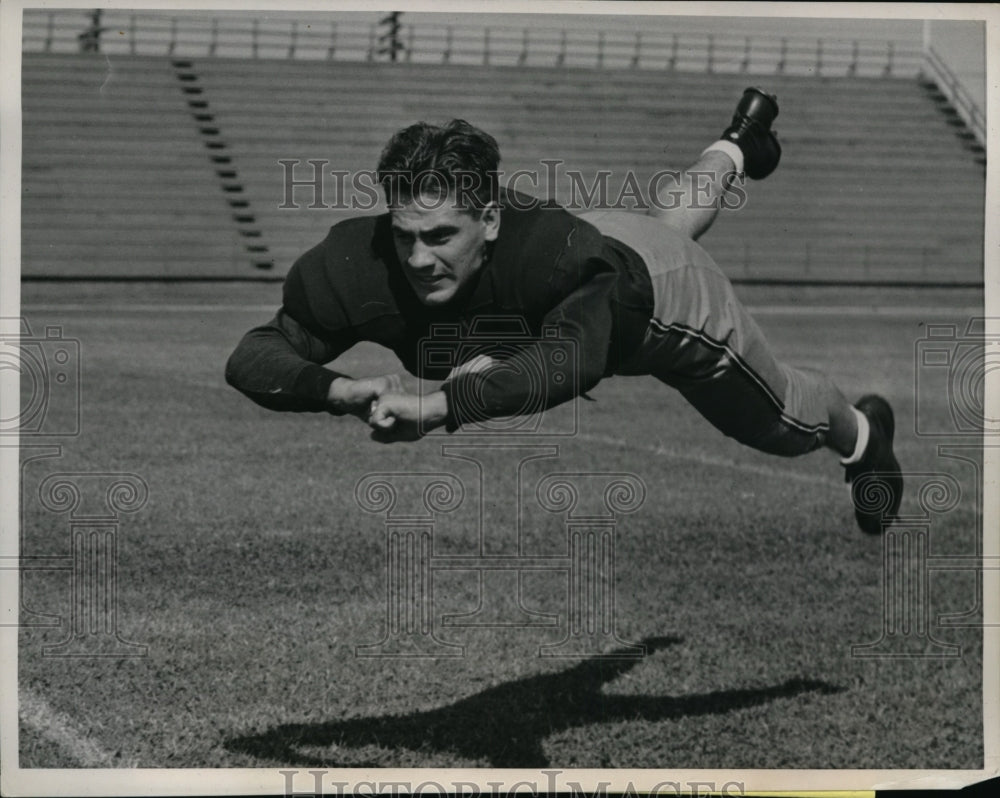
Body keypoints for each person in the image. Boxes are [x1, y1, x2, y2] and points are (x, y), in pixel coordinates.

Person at [225, 89, 903, 534]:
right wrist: (338, 389)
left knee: (777, 419)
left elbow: (570, 362)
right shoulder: (359, 259)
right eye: (405, 234)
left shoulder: (553, 253)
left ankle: (864, 436)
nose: (418, 259)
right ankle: (735, 146)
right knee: (662, 221)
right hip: (606, 244)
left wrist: (438, 408)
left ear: (489, 221)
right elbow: (254, 356)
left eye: (440, 238)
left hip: (653, 303)